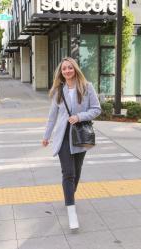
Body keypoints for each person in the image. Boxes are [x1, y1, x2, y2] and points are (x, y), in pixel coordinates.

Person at [42, 57, 101, 230]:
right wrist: (46, 136)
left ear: (75, 69)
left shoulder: (87, 87)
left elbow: (96, 109)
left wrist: (79, 117)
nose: (67, 71)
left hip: (80, 136)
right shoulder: (58, 91)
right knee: (68, 173)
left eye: (70, 68)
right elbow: (52, 116)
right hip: (63, 137)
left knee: (76, 172)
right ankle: (71, 210)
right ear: (61, 72)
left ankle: (70, 196)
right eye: (64, 69)